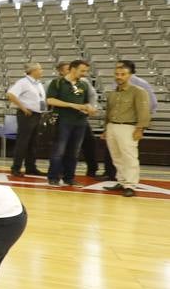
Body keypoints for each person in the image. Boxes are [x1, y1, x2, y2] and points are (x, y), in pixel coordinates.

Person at [102, 60, 152, 197]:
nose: (119, 77)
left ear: (130, 75)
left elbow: (143, 111)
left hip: (128, 127)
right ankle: (122, 181)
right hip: (112, 126)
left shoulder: (138, 91)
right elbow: (108, 113)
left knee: (129, 157)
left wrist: (140, 129)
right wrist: (106, 129)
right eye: (117, 74)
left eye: (123, 74)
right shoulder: (113, 93)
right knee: (116, 157)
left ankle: (130, 185)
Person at [45, 59, 97, 187]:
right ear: (73, 69)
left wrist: (89, 108)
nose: (85, 74)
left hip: (80, 122)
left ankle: (69, 177)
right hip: (63, 121)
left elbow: (86, 102)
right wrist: (72, 105)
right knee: (59, 150)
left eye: (86, 71)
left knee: (74, 152)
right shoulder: (57, 83)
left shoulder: (83, 84)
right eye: (82, 71)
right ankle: (53, 177)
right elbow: (50, 100)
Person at [5, 62, 47, 177]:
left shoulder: (38, 83)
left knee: (33, 142)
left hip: (37, 114)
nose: (42, 71)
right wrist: (23, 107)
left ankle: (31, 167)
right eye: (40, 69)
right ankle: (16, 168)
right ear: (33, 71)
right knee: (23, 142)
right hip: (27, 115)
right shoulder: (23, 82)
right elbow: (10, 95)